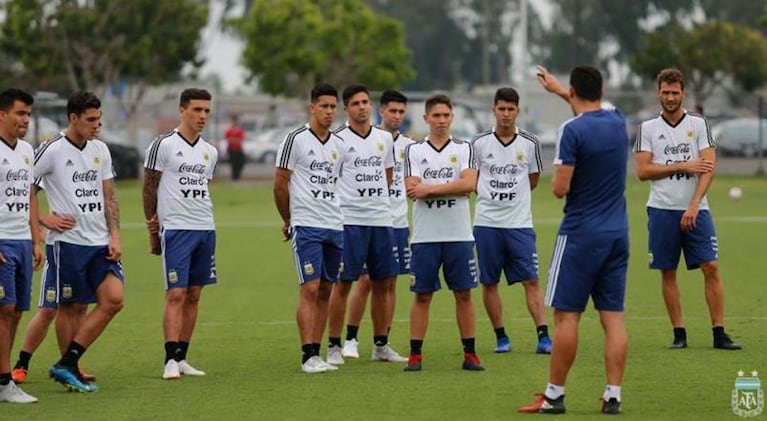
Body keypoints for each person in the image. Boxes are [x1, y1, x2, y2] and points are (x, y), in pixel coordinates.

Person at [519, 65, 629, 414]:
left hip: (581, 235)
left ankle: (554, 396)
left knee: (567, 318)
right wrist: (558, 91)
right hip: (618, 233)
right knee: (612, 318)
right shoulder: (618, 120)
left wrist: (560, 176)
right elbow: (590, 105)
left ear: (573, 89)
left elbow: (559, 188)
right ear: (602, 89)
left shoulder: (571, 130)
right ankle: (613, 394)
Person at [633, 68, 741, 351]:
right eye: (665, 92)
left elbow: (708, 167)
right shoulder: (647, 129)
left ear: (683, 93)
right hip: (661, 210)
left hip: (697, 210)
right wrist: (682, 165)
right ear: (658, 93)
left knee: (711, 267)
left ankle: (719, 333)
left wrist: (694, 205)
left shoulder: (699, 124)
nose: (670, 97)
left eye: (675, 92)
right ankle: (679, 334)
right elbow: (642, 171)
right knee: (668, 271)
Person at [35, 91, 125, 393]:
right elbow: (23, 187)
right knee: (71, 307)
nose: (96, 125)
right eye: (90, 120)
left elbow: (109, 195)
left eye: (99, 119)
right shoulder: (51, 150)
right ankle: (70, 366)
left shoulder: (100, 148)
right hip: (68, 243)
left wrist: (114, 235)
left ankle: (68, 363)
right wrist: (44, 221)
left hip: (100, 242)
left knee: (113, 299)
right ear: (73, 118)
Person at [325, 85, 406, 365]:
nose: (362, 107)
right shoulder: (336, 140)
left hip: (381, 220)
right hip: (349, 221)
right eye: (356, 103)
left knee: (383, 283)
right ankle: (335, 346)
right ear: (346, 109)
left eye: (365, 102)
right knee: (344, 283)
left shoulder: (384, 138)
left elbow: (387, 176)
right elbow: (331, 179)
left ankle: (381, 345)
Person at [403, 94, 483, 372]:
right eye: (435, 116)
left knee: (464, 294)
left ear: (452, 117)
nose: (441, 120)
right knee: (422, 296)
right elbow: (412, 189)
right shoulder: (414, 151)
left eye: (446, 115)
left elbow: (469, 184)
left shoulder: (465, 148)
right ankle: (415, 355)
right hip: (425, 237)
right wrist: (449, 185)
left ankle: (470, 354)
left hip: (459, 235)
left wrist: (430, 189)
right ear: (426, 118)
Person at [143, 88, 219, 380]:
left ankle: (182, 357)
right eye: (197, 110)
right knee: (175, 293)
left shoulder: (209, 151)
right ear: (182, 110)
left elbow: (204, 189)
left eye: (206, 111)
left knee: (194, 294)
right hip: (175, 229)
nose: (202, 116)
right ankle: (169, 360)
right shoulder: (162, 145)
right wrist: (152, 228)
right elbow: (149, 187)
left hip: (205, 228)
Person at [471, 87, 552, 355]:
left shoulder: (530, 143)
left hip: (519, 225)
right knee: (489, 282)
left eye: (511, 109)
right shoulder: (479, 143)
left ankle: (543, 336)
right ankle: (501, 337)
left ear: (518, 111)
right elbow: (472, 179)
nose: (506, 114)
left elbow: (533, 180)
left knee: (531, 280)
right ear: (494, 110)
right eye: (501, 109)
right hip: (487, 224)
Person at [273, 83, 344, 374]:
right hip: (307, 225)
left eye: (332, 106)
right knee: (310, 288)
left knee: (327, 288)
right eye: (323, 106)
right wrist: (289, 218)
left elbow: (335, 182)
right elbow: (280, 183)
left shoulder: (339, 145)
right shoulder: (295, 140)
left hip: (334, 224)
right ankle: (307, 354)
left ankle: (318, 351)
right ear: (312, 107)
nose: (329, 112)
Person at [341, 90, 415, 359]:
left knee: (389, 283)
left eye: (401, 111)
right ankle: (350, 338)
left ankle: (381, 343)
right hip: (368, 219)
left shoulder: (410, 146)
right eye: (392, 111)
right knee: (363, 281)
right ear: (381, 111)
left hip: (397, 222)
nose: (397, 116)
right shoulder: (371, 139)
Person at [0, 88, 42, 403]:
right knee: (5, 309)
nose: (25, 119)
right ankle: (4, 383)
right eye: (20, 113)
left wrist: (36, 239)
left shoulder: (27, 151)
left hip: (23, 241)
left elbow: (29, 195)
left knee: (15, 313)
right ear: (3, 115)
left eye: (28, 114)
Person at [224, 115, 246, 181]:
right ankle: (234, 177)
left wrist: (234, 140)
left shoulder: (239, 130)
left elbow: (241, 138)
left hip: (238, 149)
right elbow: (228, 138)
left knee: (241, 162)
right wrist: (234, 140)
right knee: (233, 163)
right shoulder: (230, 130)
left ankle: (237, 175)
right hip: (232, 149)